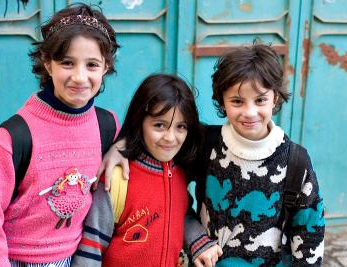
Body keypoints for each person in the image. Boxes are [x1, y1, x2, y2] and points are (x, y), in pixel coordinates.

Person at [98, 44, 325, 266]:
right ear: (222, 101)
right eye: (237, 101)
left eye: (260, 100)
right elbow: (161, 147)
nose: (249, 112)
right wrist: (120, 146)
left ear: (275, 98)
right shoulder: (205, 144)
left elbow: (309, 231)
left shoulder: (295, 161)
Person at [0, 3, 120, 267]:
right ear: (48, 64)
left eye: (92, 64)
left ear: (106, 67)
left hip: (70, 259)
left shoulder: (107, 125)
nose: (80, 77)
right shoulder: (13, 137)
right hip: (9, 259)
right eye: (67, 63)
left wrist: (121, 147)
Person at [71, 74, 223, 267]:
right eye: (159, 125)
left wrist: (199, 240)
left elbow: (179, 215)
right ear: (140, 121)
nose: (170, 137)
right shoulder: (117, 176)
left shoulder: (180, 170)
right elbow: (91, 247)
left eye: (181, 127)